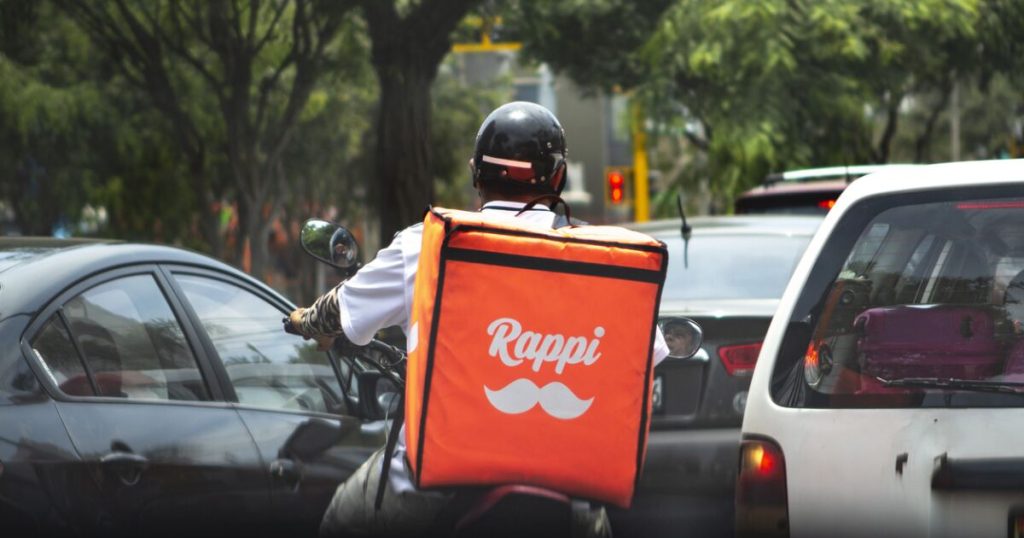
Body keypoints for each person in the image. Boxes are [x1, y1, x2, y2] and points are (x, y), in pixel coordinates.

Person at [288, 101, 670, 537]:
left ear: (477, 175)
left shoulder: (427, 245)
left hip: (428, 493)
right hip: (570, 498)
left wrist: (303, 321)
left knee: (342, 518)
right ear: (559, 177)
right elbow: (650, 355)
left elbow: (337, 311)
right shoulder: (605, 259)